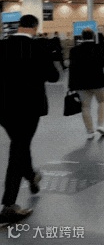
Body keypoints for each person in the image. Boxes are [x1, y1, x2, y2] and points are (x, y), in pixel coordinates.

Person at [0, 15, 59, 223]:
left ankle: (32, 177)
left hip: (3, 107)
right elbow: (54, 76)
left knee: (20, 145)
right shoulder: (39, 48)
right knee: (18, 149)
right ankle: (8, 205)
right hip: (29, 108)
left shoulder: (2, 46)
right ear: (35, 27)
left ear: (18, 26)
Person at [68, 28, 104, 139]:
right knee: (102, 101)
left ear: (82, 37)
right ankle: (100, 125)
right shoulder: (99, 48)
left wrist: (71, 85)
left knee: (85, 106)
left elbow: (72, 69)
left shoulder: (74, 50)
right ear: (93, 36)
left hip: (81, 84)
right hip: (99, 82)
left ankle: (90, 131)